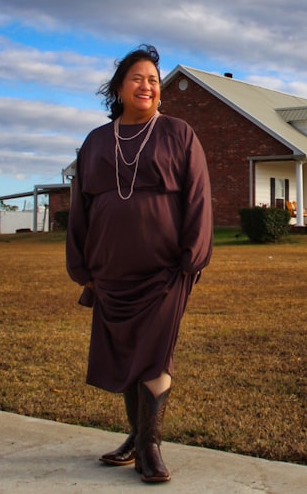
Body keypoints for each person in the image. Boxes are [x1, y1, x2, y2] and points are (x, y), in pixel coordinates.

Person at [66, 44, 213, 483]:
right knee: (127, 351)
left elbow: (198, 196)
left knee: (154, 353)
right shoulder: (95, 142)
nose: (147, 85)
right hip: (111, 269)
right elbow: (81, 209)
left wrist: (193, 254)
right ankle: (135, 436)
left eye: (153, 80)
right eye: (138, 78)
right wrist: (82, 266)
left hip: (166, 268)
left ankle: (150, 447)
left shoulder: (179, 133)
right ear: (119, 89)